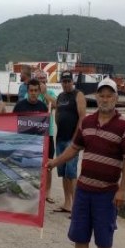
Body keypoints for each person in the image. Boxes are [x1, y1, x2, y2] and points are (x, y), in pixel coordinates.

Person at [47, 78, 125, 248]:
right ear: (96, 97)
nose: (105, 99)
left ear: (116, 98)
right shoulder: (87, 122)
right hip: (84, 190)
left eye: (109, 95)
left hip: (107, 193)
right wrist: (54, 162)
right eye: (101, 95)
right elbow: (74, 149)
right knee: (80, 235)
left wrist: (122, 190)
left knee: (104, 238)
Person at [52, 70, 86, 213]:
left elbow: (82, 117)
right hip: (60, 139)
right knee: (63, 173)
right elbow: (57, 113)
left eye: (68, 81)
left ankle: (76, 207)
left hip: (72, 140)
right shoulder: (60, 96)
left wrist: (76, 137)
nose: (66, 84)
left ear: (72, 82)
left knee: (71, 173)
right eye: (64, 82)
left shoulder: (78, 95)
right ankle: (67, 203)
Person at [36, 70, 57, 204]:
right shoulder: (31, 93)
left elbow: (56, 104)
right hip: (35, 133)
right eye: (39, 79)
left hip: (48, 134)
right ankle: (36, 191)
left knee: (48, 164)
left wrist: (44, 94)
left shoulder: (50, 94)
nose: (42, 81)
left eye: (44, 79)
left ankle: (47, 192)